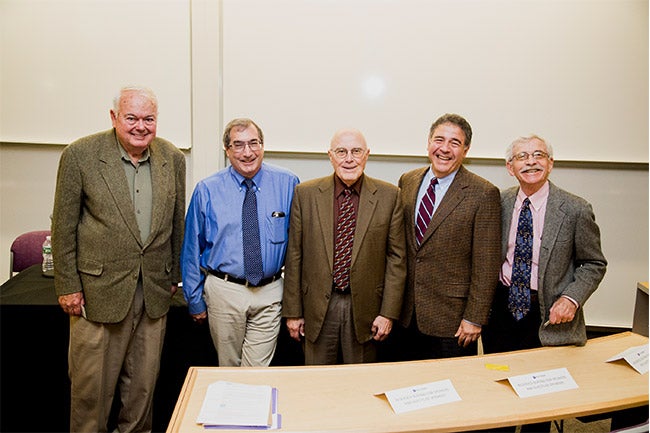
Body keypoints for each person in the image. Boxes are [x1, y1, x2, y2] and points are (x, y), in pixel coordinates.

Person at [52, 86, 186, 433]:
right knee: (91, 393)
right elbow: (63, 225)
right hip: (98, 292)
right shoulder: (80, 155)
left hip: (154, 291)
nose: (141, 126)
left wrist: (173, 274)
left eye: (149, 119)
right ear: (114, 118)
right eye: (132, 118)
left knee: (142, 389)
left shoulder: (172, 158)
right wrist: (68, 285)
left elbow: (176, 221)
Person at [481, 134, 607, 433]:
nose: (531, 162)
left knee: (539, 400)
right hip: (501, 308)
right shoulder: (499, 202)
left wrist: (571, 299)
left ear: (550, 163)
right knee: (498, 389)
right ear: (510, 167)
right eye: (522, 157)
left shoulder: (575, 209)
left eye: (538, 155)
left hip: (546, 312)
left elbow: (594, 263)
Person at [182, 118, 299, 367]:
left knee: (256, 371)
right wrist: (194, 300)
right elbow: (191, 248)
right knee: (229, 368)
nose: (248, 152)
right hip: (225, 291)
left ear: (263, 146)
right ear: (227, 150)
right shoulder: (207, 190)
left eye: (253, 143)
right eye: (238, 145)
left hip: (270, 291)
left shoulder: (288, 184)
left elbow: (299, 244)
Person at [282, 128, 406, 365]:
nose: (349, 159)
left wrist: (388, 313)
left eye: (356, 151)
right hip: (317, 307)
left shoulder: (390, 196)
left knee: (359, 384)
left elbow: (396, 260)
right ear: (330, 156)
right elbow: (294, 255)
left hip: (366, 310)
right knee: (318, 383)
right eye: (341, 151)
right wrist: (293, 312)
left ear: (367, 155)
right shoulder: (305, 194)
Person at [395, 113, 501, 360]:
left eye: (454, 143)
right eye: (438, 140)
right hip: (404, 316)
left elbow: (486, 264)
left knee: (451, 391)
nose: (444, 149)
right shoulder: (408, 180)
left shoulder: (483, 193)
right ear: (428, 142)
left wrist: (474, 317)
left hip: (452, 321)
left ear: (466, 149)